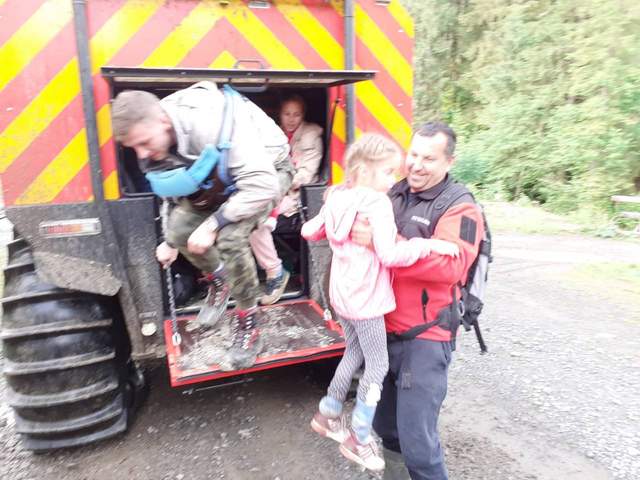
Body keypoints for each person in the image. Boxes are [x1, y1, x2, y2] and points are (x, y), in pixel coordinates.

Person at [301, 133, 459, 472]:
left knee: (353, 353)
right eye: (388, 172)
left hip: (342, 297)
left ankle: (328, 412)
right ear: (364, 171)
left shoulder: (339, 197)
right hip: (367, 300)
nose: (393, 179)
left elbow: (309, 232)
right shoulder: (377, 204)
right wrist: (429, 245)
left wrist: (335, 216)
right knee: (377, 365)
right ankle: (359, 435)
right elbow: (390, 255)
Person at [111, 81, 293, 369]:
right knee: (179, 230)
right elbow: (173, 188)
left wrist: (213, 224)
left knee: (230, 237)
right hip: (223, 177)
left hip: (269, 172)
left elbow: (262, 185)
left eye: (144, 143)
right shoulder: (158, 133)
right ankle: (221, 280)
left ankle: (249, 323)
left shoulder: (207, 121)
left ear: (162, 120)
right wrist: (170, 241)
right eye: (133, 147)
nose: (141, 154)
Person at [351, 123, 485, 480]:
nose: (416, 165)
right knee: (385, 426)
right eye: (413, 155)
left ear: (449, 161)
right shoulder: (392, 192)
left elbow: (452, 265)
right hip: (381, 329)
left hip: (425, 337)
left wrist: (385, 244)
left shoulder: (461, 207)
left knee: (418, 442)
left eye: (429, 158)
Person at [249, 94, 324, 305]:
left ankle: (276, 271)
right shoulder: (272, 134)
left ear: (303, 115)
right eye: (287, 114)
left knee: (256, 221)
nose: (291, 119)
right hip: (271, 192)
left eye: (296, 114)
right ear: (279, 114)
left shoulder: (311, 136)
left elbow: (304, 176)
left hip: (296, 198)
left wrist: (271, 182)